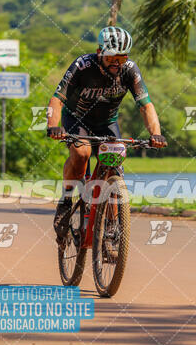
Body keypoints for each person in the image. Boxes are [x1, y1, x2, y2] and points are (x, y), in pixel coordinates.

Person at [47, 26, 167, 244]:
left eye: (122, 57)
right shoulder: (82, 65)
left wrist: (156, 134)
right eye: (112, 56)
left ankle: (112, 226)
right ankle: (66, 201)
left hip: (106, 123)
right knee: (82, 155)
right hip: (76, 119)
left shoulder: (130, 70)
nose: (116, 62)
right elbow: (57, 99)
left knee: (115, 166)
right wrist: (53, 126)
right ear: (99, 51)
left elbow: (145, 105)